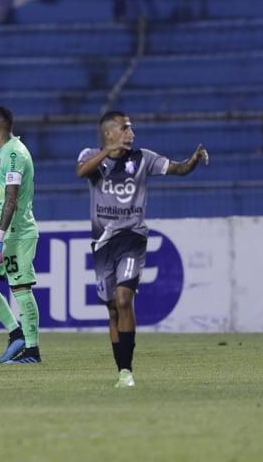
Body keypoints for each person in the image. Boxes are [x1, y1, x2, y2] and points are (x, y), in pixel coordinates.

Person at [76, 111, 209, 388]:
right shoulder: (90, 155)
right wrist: (107, 153)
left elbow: (178, 169)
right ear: (109, 133)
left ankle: (128, 371)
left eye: (131, 129)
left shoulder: (142, 158)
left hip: (133, 237)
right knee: (112, 309)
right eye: (126, 129)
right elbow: (81, 171)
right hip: (103, 243)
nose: (131, 134)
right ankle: (121, 370)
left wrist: (192, 161)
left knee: (124, 300)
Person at [0, 107, 42, 364]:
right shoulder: (5, 152)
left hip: (16, 233)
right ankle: (16, 334)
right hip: (5, 233)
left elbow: (11, 199)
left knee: (20, 288)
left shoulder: (14, 153)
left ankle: (32, 351)